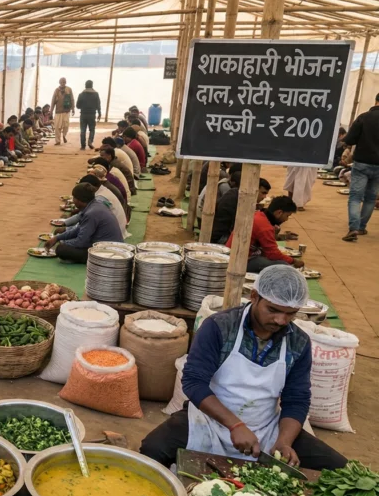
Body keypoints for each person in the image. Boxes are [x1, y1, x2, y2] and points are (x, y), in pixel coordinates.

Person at [140, 265, 347, 471]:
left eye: (290, 314)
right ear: (255, 296)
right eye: (273, 310)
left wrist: (284, 442)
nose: (281, 320)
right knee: (152, 449)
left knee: (339, 469)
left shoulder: (298, 342)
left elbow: (297, 398)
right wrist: (235, 425)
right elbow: (194, 382)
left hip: (267, 427)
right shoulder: (220, 327)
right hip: (209, 421)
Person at [44, 183, 124, 263]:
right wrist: (57, 238)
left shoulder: (91, 213)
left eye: (74, 198)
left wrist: (63, 242)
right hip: (109, 247)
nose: (73, 200)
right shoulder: (94, 206)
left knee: (61, 249)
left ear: (78, 200)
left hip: (108, 253)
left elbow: (81, 242)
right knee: (67, 244)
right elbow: (78, 230)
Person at [226, 196, 303, 272]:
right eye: (287, 216)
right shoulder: (264, 226)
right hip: (238, 260)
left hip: (235, 254)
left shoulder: (259, 214)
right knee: (283, 265)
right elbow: (273, 254)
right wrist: (293, 261)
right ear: (279, 212)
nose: (286, 219)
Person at [344, 91, 379, 242]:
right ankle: (362, 227)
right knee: (371, 198)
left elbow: (350, 139)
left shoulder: (364, 117)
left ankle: (354, 228)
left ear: (376, 100)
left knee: (355, 197)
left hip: (362, 162)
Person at [211, 175, 272, 245]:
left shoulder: (237, 193)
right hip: (221, 237)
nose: (264, 197)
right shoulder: (238, 199)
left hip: (223, 233)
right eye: (263, 193)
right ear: (254, 189)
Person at [78, 173, 129, 237]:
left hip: (114, 234)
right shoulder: (103, 190)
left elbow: (90, 218)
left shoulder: (100, 198)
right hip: (119, 228)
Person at [75, 80, 101, 150]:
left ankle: (83, 145)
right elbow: (98, 105)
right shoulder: (96, 94)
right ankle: (90, 141)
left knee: (83, 130)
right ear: (92, 85)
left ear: (85, 85)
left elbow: (77, 106)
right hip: (92, 114)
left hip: (83, 114)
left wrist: (83, 106)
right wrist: (99, 113)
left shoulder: (81, 94)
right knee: (92, 129)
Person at [50, 78, 74, 145]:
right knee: (57, 126)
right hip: (58, 112)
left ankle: (64, 135)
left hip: (66, 111)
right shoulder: (56, 90)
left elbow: (72, 99)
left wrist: (73, 108)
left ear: (65, 82)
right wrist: (51, 111)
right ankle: (57, 141)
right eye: (61, 82)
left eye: (64, 82)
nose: (63, 83)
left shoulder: (69, 89)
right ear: (59, 82)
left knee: (66, 125)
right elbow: (53, 101)